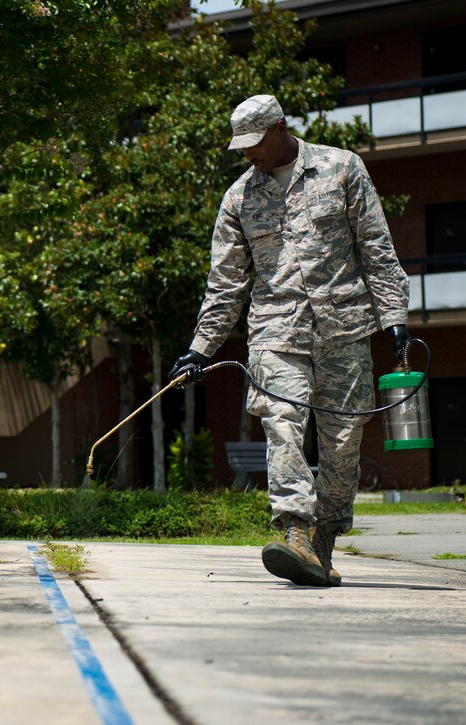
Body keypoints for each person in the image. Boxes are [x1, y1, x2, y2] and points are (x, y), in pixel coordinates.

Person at [170, 95, 410, 587]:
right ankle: (294, 530)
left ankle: (322, 543)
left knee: (343, 443)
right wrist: (201, 348)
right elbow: (226, 283)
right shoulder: (239, 197)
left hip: (344, 328)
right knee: (282, 422)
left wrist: (395, 316)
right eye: (241, 147)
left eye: (255, 143)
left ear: (280, 127)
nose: (248, 155)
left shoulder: (342, 169)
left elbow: (377, 249)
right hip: (275, 330)